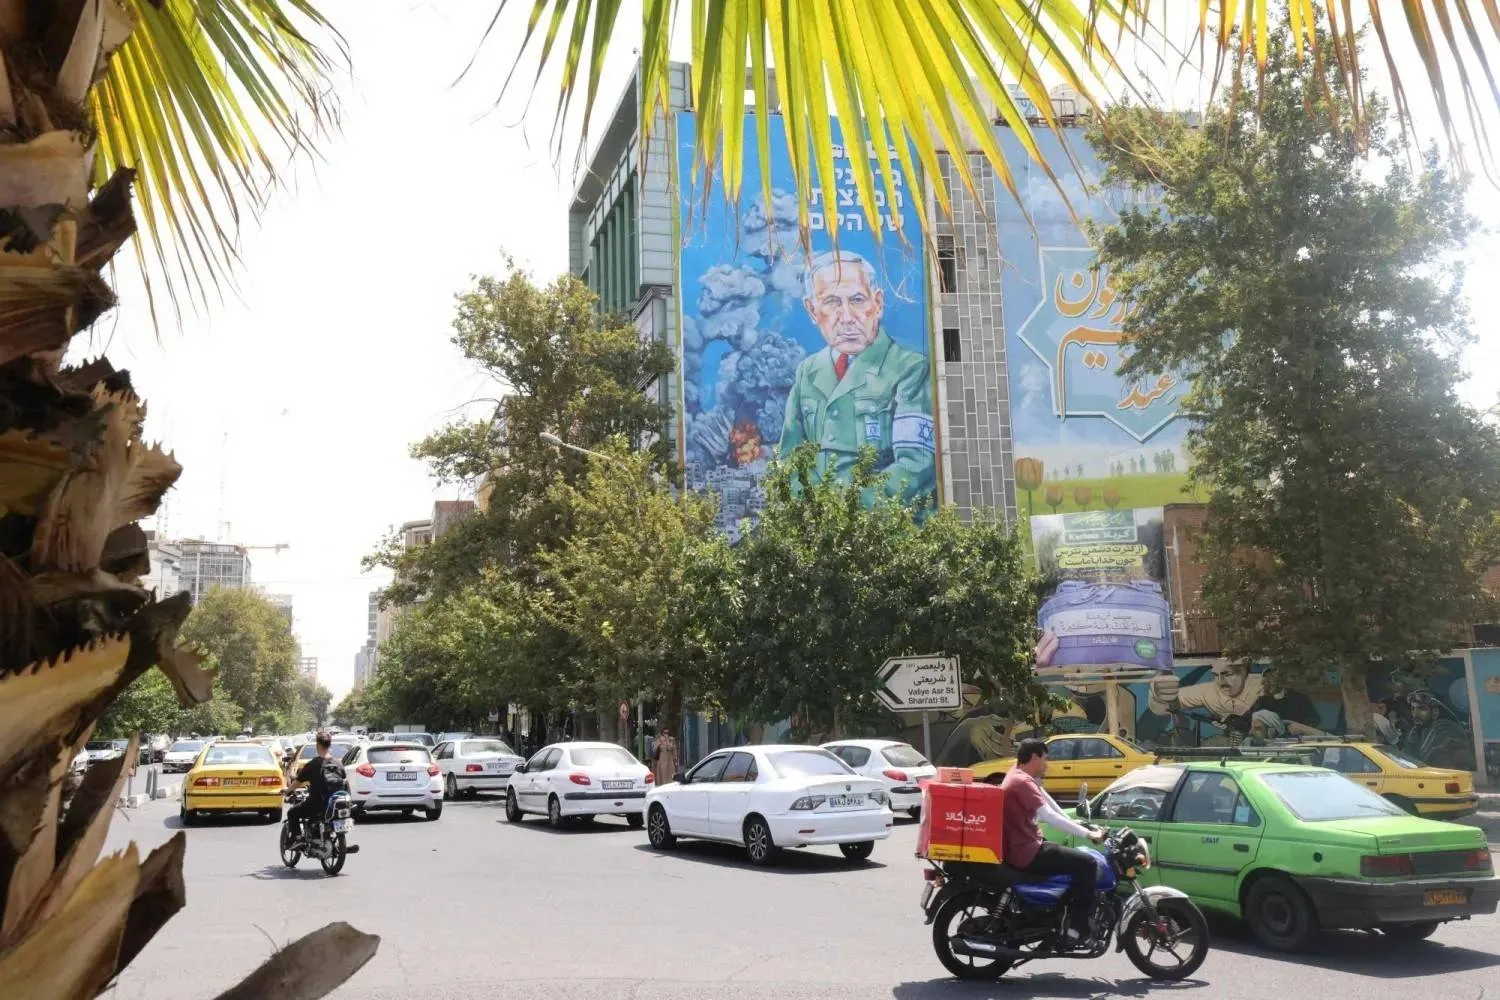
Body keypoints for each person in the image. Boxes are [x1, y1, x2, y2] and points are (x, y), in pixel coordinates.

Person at [778, 250, 936, 505]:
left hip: (883, 529)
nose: (847, 317)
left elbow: (915, 466)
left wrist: (843, 511)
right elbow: (788, 463)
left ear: (878, 303)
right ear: (812, 310)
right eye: (831, 302)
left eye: (858, 300)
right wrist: (806, 514)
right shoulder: (808, 371)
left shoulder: (910, 369)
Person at [1001, 738, 1107, 944]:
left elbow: (1047, 801)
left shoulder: (1018, 774)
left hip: (1025, 845)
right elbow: (1048, 815)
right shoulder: (1021, 781)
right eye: (1045, 759)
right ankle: (1077, 927)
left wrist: (1078, 824)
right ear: (1034, 757)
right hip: (1026, 850)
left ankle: (1059, 915)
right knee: (1087, 863)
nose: (1047, 765)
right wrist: (1088, 835)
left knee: (1070, 859)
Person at [287, 731, 346, 837]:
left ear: (318, 745)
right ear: (329, 745)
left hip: (316, 805)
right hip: (335, 806)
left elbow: (297, 782)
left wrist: (287, 791)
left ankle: (297, 839)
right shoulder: (338, 763)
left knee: (292, 812)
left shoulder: (313, 764)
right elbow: (343, 778)